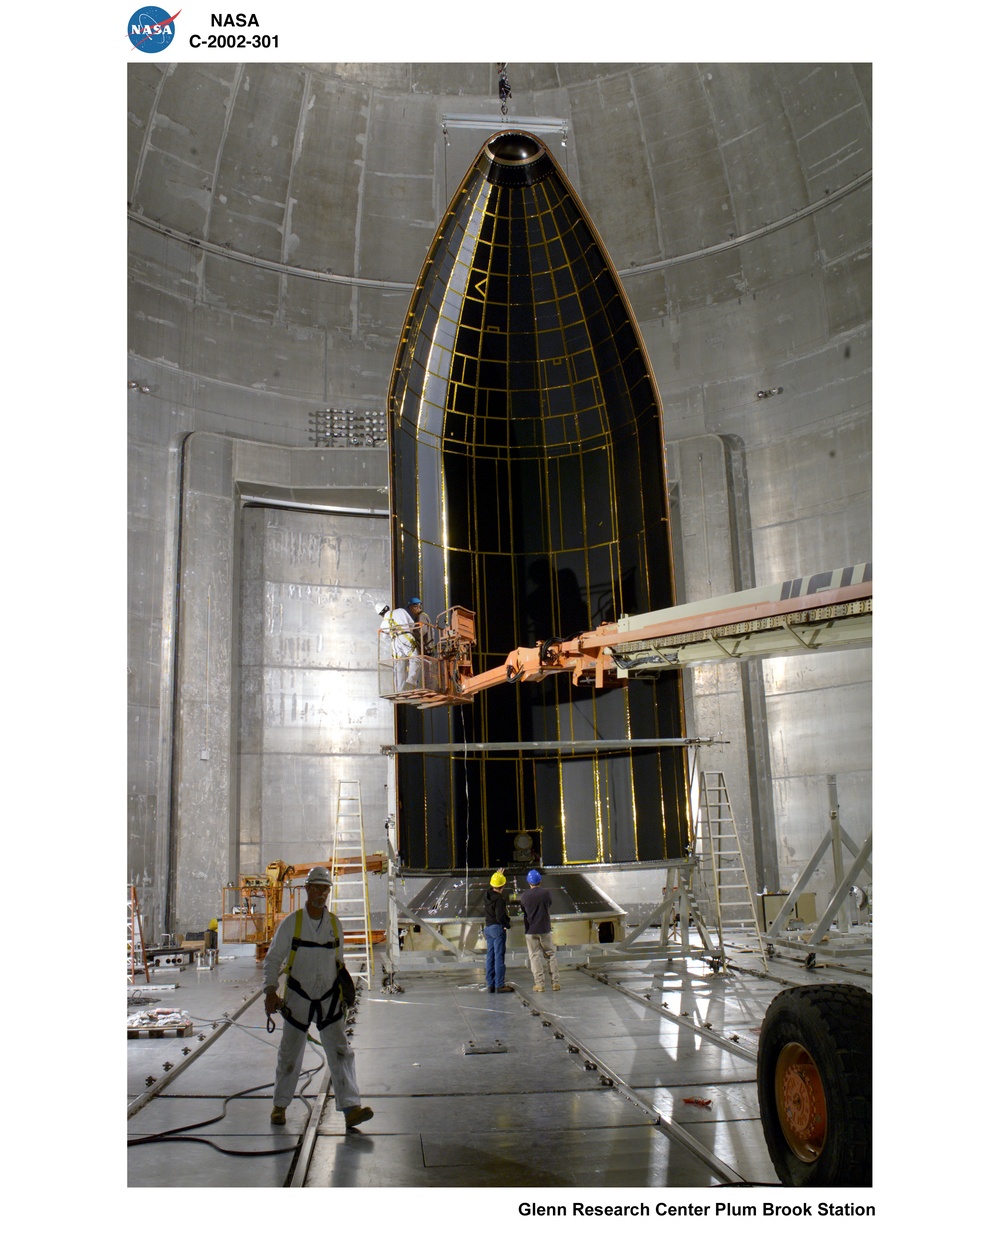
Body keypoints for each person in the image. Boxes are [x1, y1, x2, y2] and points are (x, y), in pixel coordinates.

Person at [263, 865, 374, 1129]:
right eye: (316, 887)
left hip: (328, 1000)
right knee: (290, 1052)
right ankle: (279, 1106)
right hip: (298, 999)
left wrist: (345, 990)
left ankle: (351, 1108)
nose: (320, 893)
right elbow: (273, 959)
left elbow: (338, 961)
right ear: (307, 889)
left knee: (340, 1051)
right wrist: (269, 990)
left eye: (325, 888)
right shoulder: (292, 923)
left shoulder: (335, 924)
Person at [518, 868, 560, 992]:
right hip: (545, 928)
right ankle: (555, 983)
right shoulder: (546, 893)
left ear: (528, 882)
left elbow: (523, 911)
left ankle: (540, 984)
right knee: (550, 955)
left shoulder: (524, 896)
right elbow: (549, 904)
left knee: (534, 956)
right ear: (540, 881)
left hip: (531, 930)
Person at [483, 870, 514, 992]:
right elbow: (500, 916)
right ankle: (500, 985)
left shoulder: (487, 895)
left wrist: (498, 875)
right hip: (497, 928)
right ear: (503, 886)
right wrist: (507, 924)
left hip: (488, 928)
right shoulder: (499, 899)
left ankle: (490, 984)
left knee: (490, 956)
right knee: (499, 957)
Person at [378, 602, 418, 690]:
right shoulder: (401, 611)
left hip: (395, 643)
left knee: (399, 665)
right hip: (406, 637)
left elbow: (385, 637)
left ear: (380, 614)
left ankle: (400, 689)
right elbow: (412, 624)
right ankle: (411, 682)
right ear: (387, 607)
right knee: (415, 658)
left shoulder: (383, 623)